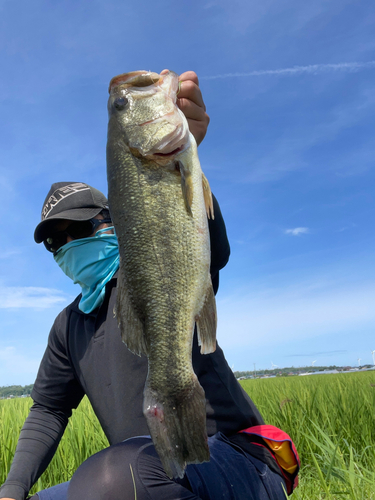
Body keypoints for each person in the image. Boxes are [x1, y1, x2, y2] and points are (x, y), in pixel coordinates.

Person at [0, 71, 297, 500]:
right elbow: (49, 409)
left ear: (115, 219)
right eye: (54, 240)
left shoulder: (148, 268)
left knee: (108, 483)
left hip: (242, 461)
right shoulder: (69, 326)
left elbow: (208, 249)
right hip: (150, 468)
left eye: (79, 228)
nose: (67, 244)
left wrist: (187, 149)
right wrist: (11, 491)